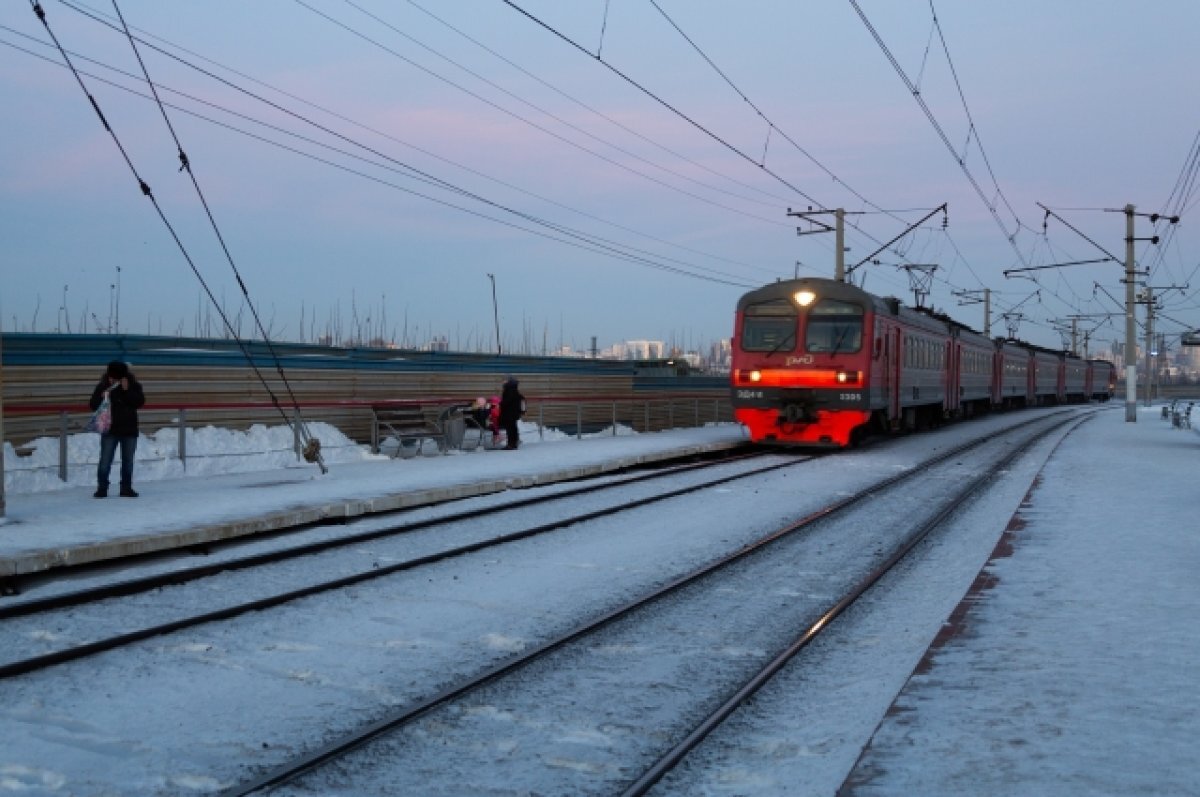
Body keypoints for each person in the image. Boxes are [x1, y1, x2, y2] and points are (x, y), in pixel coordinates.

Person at [90, 360, 145, 498]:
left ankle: (126, 488)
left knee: (128, 461)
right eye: (111, 376)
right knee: (105, 460)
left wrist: (127, 391)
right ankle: (102, 488)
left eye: (115, 377)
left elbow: (139, 402)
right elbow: (92, 404)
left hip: (129, 430)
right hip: (110, 430)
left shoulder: (133, 385)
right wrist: (102, 397)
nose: (112, 379)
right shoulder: (103, 386)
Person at [498, 376, 525, 450]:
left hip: (509, 412)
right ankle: (514, 443)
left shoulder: (509, 390)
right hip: (514, 412)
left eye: (504, 380)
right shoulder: (514, 389)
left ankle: (511, 444)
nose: (503, 382)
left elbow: (507, 401)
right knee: (513, 428)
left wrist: (500, 403)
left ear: (508, 381)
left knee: (510, 428)